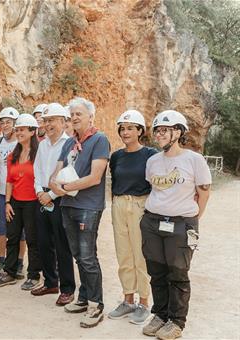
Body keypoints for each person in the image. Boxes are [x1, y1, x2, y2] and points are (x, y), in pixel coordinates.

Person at [140, 110, 211, 340]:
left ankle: (176, 321)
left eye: (164, 130)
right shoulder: (152, 161)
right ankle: (160, 315)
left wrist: (191, 220)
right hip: (152, 222)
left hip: (181, 225)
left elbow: (203, 193)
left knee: (178, 273)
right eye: (157, 130)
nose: (159, 135)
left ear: (177, 132)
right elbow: (154, 189)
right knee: (157, 271)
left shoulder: (194, 160)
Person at [51, 97, 110, 328]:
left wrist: (63, 188)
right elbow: (57, 171)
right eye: (72, 114)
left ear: (90, 117)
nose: (74, 117)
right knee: (78, 256)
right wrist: (54, 184)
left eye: (79, 114)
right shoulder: (68, 143)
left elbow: (95, 177)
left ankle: (96, 305)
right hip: (68, 206)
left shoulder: (99, 140)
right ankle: (84, 298)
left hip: (88, 206)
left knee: (87, 257)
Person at [108, 110, 158, 324]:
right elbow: (114, 182)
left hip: (141, 204)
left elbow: (156, 184)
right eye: (122, 128)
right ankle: (128, 299)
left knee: (140, 254)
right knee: (123, 254)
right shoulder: (117, 156)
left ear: (140, 131)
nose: (125, 132)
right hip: (119, 204)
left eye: (130, 128)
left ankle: (144, 303)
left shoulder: (150, 154)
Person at [0, 114, 42, 290]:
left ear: (32, 131)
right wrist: (7, 202)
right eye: (17, 129)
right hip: (15, 201)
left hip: (33, 202)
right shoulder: (13, 155)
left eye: (22, 130)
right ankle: (10, 272)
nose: (19, 132)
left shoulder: (39, 153)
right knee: (12, 237)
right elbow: (9, 181)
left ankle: (34, 275)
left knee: (32, 239)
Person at [31, 103, 76, 301]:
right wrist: (40, 192)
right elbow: (37, 171)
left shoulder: (70, 145)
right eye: (46, 120)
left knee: (62, 244)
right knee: (43, 242)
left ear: (63, 122)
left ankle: (67, 289)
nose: (48, 125)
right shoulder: (42, 145)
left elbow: (70, 177)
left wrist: (52, 195)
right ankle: (50, 283)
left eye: (52, 121)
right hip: (42, 197)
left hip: (60, 198)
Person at [0, 107, 26, 279]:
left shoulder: (21, 144)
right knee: (1, 226)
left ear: (15, 124)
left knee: (20, 229)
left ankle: (19, 262)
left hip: (18, 191)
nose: (5, 125)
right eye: (2, 122)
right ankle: (2, 260)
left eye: (8, 122)